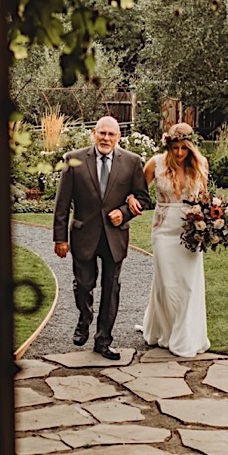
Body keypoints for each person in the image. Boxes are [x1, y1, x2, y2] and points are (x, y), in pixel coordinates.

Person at [53, 116, 152, 360]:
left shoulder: (132, 162)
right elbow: (62, 203)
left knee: (111, 289)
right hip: (83, 233)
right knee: (83, 285)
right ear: (94, 134)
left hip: (115, 236)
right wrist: (60, 238)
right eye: (102, 133)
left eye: (111, 134)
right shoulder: (73, 160)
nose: (106, 138)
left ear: (119, 137)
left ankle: (103, 340)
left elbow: (144, 198)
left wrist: (125, 211)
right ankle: (84, 317)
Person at [130, 122, 212, 358]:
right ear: (168, 145)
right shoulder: (155, 163)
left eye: (183, 148)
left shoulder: (201, 164)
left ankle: (184, 336)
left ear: (191, 147)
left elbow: (205, 199)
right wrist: (130, 200)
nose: (178, 153)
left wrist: (211, 222)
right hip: (163, 230)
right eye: (174, 147)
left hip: (191, 231)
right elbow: (137, 190)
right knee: (167, 284)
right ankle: (164, 331)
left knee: (187, 285)